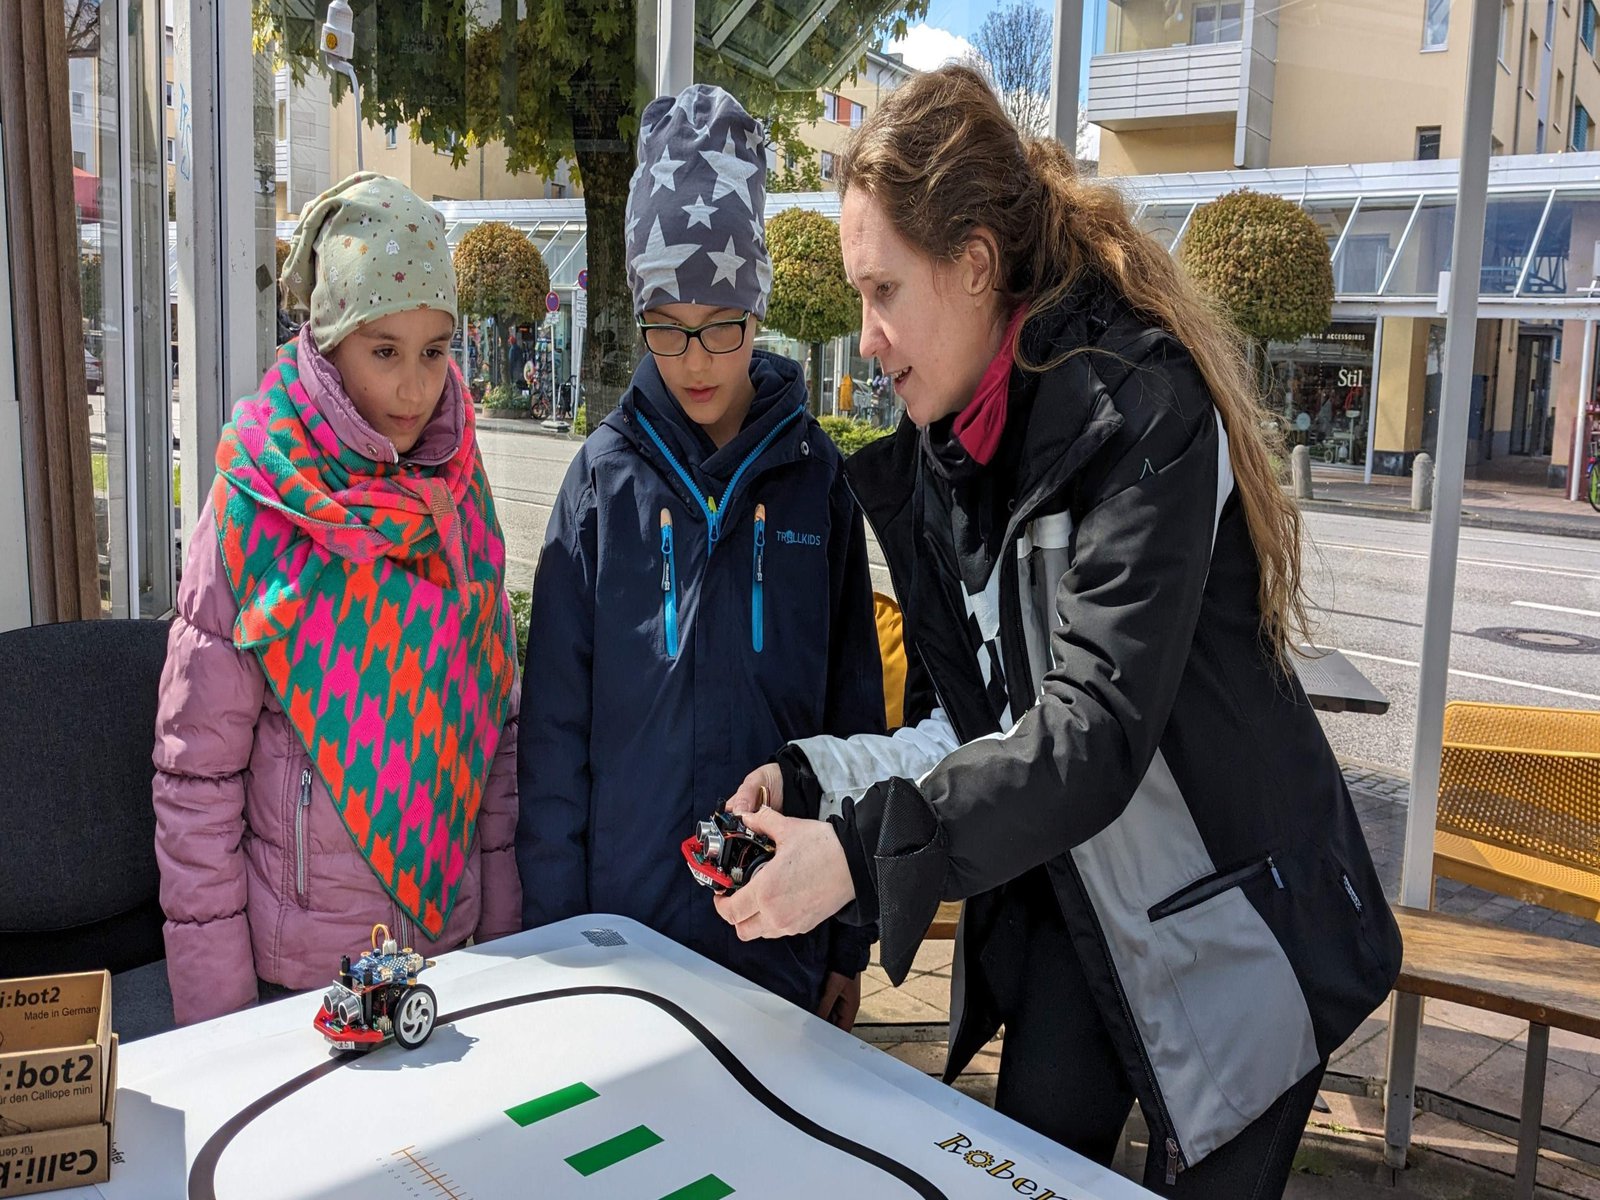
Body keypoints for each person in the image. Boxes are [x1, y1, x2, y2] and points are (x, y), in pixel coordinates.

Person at [712, 65, 1402, 1196]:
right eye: (856, 298)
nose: (867, 339)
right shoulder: (943, 449)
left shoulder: (1143, 409)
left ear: (976, 263)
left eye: (884, 292)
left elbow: (1089, 732)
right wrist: (816, 782)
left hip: (1243, 943)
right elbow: (972, 724)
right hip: (1078, 918)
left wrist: (852, 860)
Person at [516, 85, 885, 1026]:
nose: (696, 358)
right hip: (620, 937)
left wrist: (849, 937)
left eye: (722, 321)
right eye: (667, 325)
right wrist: (556, 937)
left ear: (758, 309)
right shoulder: (601, 486)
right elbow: (554, 736)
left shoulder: (815, 480)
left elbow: (857, 717)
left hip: (782, 941)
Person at [152, 173, 522, 1026]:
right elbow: (196, 776)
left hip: (449, 957)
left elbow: (495, 738)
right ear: (327, 342)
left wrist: (503, 939)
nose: (415, 388)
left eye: (435, 351)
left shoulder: (460, 496)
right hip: (299, 983)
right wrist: (219, 1021)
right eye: (383, 350)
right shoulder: (254, 502)